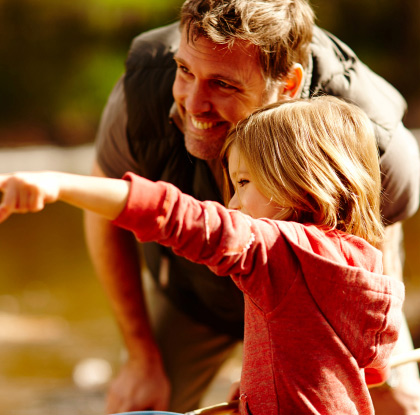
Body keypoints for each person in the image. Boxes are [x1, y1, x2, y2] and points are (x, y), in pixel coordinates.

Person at [85, 0, 420, 413]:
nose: (193, 102)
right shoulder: (143, 91)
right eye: (186, 71)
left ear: (289, 83)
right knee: (138, 402)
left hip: (321, 291)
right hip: (193, 290)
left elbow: (368, 257)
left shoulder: (372, 132)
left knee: (398, 400)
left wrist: (290, 363)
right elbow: (105, 210)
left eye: (223, 85)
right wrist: (140, 356)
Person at [0, 96, 406, 415]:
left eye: (244, 181)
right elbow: (368, 368)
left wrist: (59, 186)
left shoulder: (278, 251)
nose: (232, 202)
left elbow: (177, 216)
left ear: (301, 181)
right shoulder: (363, 259)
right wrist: (266, 388)